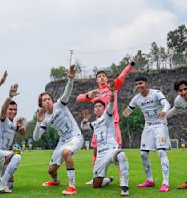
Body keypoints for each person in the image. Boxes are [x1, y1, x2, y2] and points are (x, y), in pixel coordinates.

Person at [76, 55, 136, 185]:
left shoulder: (112, 87)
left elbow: (122, 75)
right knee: (96, 150)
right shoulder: (95, 93)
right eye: (99, 76)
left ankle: (122, 178)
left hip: (112, 123)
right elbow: (78, 98)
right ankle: (96, 175)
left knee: (117, 150)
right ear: (96, 80)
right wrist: (87, 95)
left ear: (107, 79)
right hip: (99, 127)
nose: (101, 77)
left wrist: (130, 65)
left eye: (104, 75)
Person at [33, 65, 84, 195]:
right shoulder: (44, 118)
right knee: (51, 170)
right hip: (62, 141)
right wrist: (38, 122)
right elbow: (36, 137)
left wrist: (71, 78)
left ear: (52, 100)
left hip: (75, 136)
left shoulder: (60, 105)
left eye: (49, 99)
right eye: (44, 100)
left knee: (67, 153)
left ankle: (72, 186)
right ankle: (56, 181)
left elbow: (67, 91)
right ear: (41, 105)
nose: (47, 101)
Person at [122, 76, 171, 192]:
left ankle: (165, 182)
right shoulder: (136, 99)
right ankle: (149, 180)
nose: (139, 86)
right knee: (143, 154)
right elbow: (128, 111)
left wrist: (164, 111)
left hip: (160, 125)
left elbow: (167, 104)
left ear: (147, 84)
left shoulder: (156, 93)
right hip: (148, 127)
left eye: (141, 83)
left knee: (161, 152)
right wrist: (123, 114)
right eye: (137, 84)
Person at [81, 81, 129, 196]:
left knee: (121, 155)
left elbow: (111, 102)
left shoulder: (108, 115)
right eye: (95, 107)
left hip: (111, 150)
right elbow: (83, 126)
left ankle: (125, 186)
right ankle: (108, 180)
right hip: (101, 155)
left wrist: (112, 91)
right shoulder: (94, 123)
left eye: (100, 106)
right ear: (94, 110)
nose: (97, 108)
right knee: (96, 185)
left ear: (104, 108)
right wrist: (85, 120)